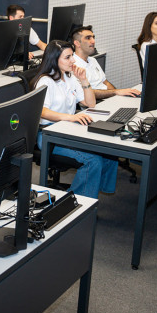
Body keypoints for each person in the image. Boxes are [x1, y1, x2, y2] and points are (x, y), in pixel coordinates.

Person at [31, 40, 117, 199]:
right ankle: (78, 202)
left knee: (109, 152)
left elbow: (90, 104)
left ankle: (94, 190)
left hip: (69, 131)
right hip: (49, 135)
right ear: (54, 59)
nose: (72, 61)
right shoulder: (45, 81)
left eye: (72, 56)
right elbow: (42, 111)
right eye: (67, 57)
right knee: (93, 161)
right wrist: (70, 117)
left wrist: (84, 80)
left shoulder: (69, 77)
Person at [70, 25, 140, 99]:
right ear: (77, 43)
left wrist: (117, 96)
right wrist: (116, 92)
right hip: (95, 101)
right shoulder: (72, 65)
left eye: (93, 37)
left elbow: (106, 82)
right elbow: (85, 93)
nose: (93, 41)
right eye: (88, 38)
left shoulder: (93, 60)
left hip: (107, 97)